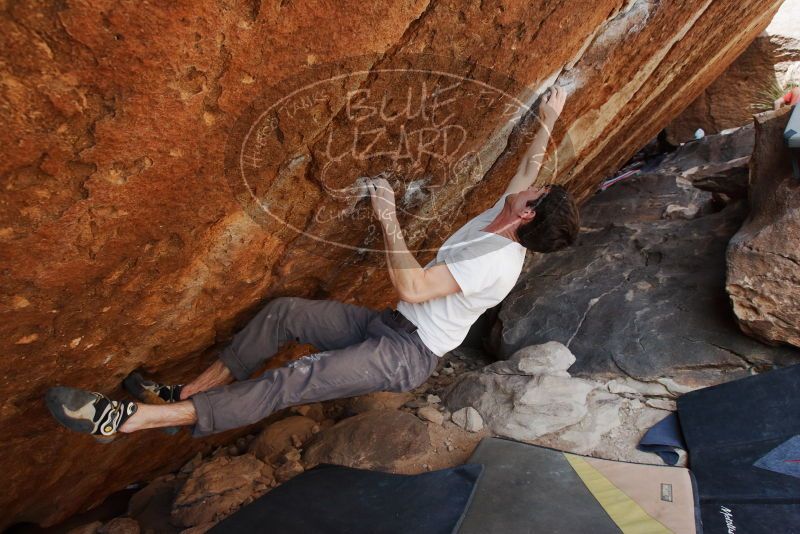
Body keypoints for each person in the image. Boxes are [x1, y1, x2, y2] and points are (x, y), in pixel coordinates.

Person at [45, 86, 579, 441]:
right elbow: (528, 163)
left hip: (408, 354)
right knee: (284, 314)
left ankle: (129, 420)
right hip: (389, 326)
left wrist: (388, 216)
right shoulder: (504, 215)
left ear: (527, 214)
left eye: (536, 191)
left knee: (294, 380)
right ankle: (192, 393)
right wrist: (550, 115)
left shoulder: (496, 261)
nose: (530, 184)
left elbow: (415, 287)